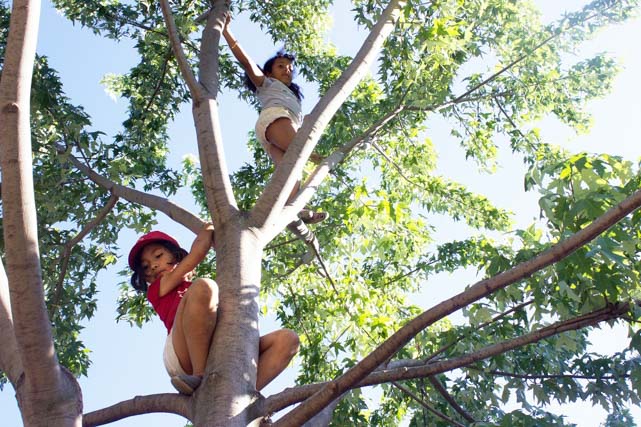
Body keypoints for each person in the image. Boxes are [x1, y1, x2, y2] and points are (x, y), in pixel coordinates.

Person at [128, 224, 300, 395]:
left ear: (176, 255)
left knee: (287, 340)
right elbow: (197, 253)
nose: (152, 266)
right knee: (205, 286)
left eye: (158, 256)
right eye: (145, 267)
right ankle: (201, 376)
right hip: (183, 352)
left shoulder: (193, 290)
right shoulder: (158, 288)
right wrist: (210, 227)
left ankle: (244, 397)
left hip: (216, 346)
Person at [223, 15, 327, 224]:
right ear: (269, 72)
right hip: (275, 119)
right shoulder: (267, 84)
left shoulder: (291, 96)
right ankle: (312, 157)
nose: (287, 70)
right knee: (301, 153)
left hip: (276, 131)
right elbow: (246, 62)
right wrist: (226, 32)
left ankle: (290, 211)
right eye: (281, 66)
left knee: (291, 175)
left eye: (289, 68)